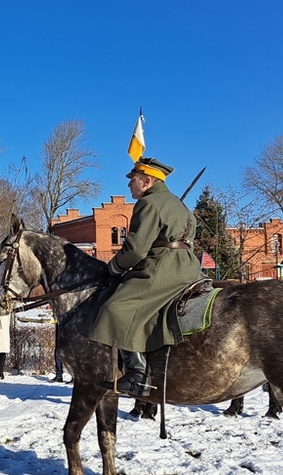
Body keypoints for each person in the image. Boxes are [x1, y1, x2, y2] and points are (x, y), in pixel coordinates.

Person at [87, 157, 203, 396]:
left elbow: (137, 249)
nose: (129, 185)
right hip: (189, 266)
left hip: (164, 267)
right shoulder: (181, 206)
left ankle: (137, 373)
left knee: (116, 308)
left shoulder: (149, 204)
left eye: (133, 180)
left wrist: (114, 268)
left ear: (147, 181)